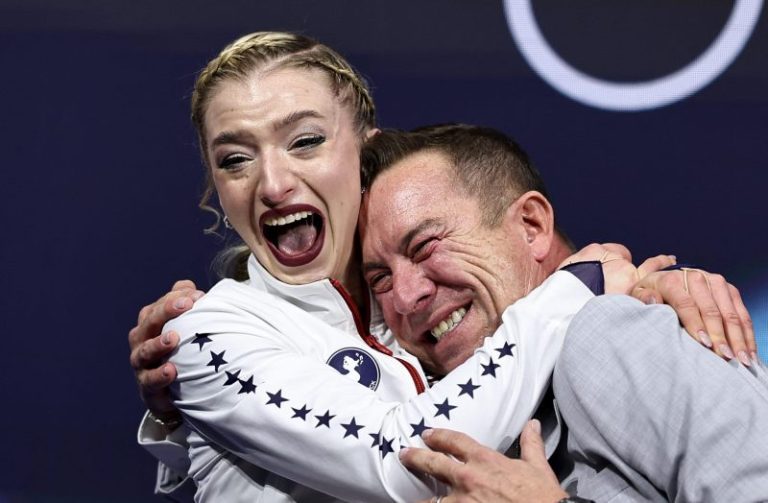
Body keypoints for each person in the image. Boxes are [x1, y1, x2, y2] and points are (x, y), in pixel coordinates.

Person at [128, 32, 754, 502]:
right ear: (214, 185)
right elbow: (398, 458)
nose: (271, 181)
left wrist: (643, 292)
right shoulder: (214, 329)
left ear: (361, 153)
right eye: (235, 158)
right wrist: (581, 283)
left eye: (306, 141)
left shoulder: (411, 321)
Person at [353, 125, 768, 502]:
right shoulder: (439, 427)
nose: (406, 297)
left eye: (425, 246)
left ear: (531, 225)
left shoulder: (607, 335)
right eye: (381, 281)